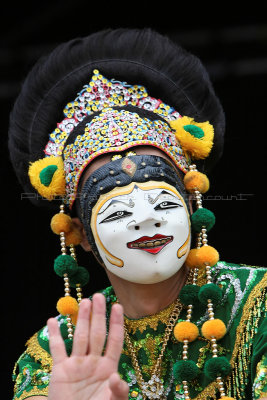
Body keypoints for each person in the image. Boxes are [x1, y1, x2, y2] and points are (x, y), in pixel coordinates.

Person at [9, 28, 266, 400]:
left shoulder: (258, 308)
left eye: (162, 202)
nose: (147, 219)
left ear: (192, 205)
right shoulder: (55, 352)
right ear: (78, 233)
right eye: (116, 213)